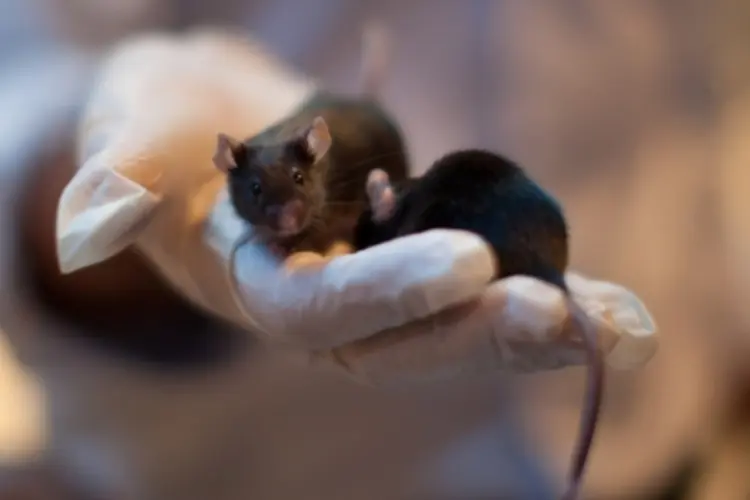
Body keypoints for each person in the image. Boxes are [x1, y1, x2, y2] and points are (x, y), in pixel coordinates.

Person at [0, 2, 664, 499]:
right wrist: (108, 183)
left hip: (660, 435)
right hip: (292, 466)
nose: (288, 214)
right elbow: (22, 68)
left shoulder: (349, 162)